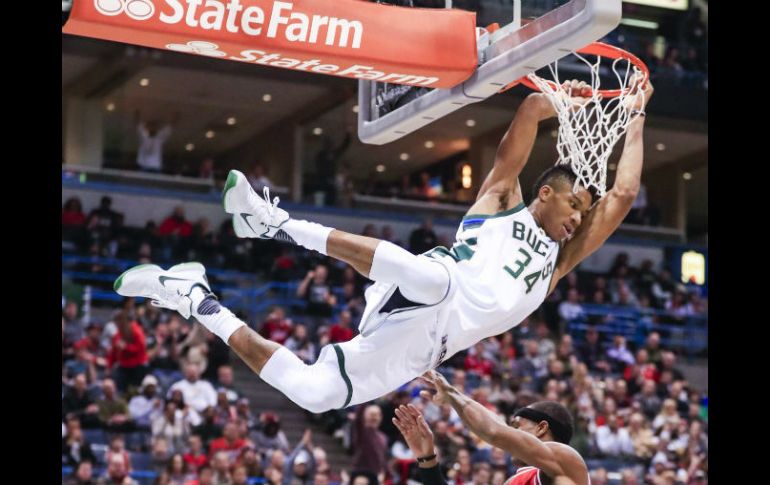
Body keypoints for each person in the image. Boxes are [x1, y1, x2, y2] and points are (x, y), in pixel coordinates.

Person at [115, 78, 654, 414]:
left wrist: (635, 117)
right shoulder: (501, 202)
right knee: (435, 280)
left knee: (317, 394)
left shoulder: (557, 264)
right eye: (574, 207)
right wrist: (549, 102)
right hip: (428, 284)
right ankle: (272, 222)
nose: (578, 219)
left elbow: (624, 193)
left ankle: (194, 297)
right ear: (545, 195)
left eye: (584, 213)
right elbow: (530, 115)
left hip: (425, 344)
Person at [410, 370, 590, 484]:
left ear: (541, 428)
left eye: (517, 426)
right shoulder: (515, 481)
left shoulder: (567, 460)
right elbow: (496, 427)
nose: (512, 433)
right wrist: (427, 459)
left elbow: (495, 431)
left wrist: (453, 395)